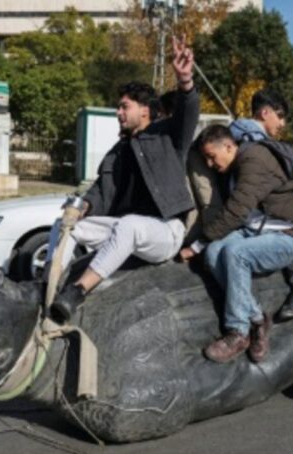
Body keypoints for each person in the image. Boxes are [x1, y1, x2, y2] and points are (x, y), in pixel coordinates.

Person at [50, 37, 199, 323]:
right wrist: (81, 208)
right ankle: (47, 284)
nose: (118, 112)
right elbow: (99, 193)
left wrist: (184, 79)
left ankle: (78, 291)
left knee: (131, 225)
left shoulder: (169, 135)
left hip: (166, 231)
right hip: (124, 231)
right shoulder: (116, 153)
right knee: (66, 226)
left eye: (124, 107)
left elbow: (188, 110)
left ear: (144, 109)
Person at [181, 88, 293, 320]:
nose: (282, 123)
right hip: (255, 221)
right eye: (280, 115)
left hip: (244, 220)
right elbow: (249, 203)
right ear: (265, 113)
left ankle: (252, 319)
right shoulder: (253, 144)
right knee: (235, 252)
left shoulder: (233, 136)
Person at [189, 125, 293, 363]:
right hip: (253, 231)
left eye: (211, 156)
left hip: (283, 234)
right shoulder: (234, 166)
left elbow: (237, 209)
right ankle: (258, 319)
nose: (209, 164)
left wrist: (197, 244)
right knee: (214, 252)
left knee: (235, 253)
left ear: (228, 146)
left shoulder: (254, 158)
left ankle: (238, 332)